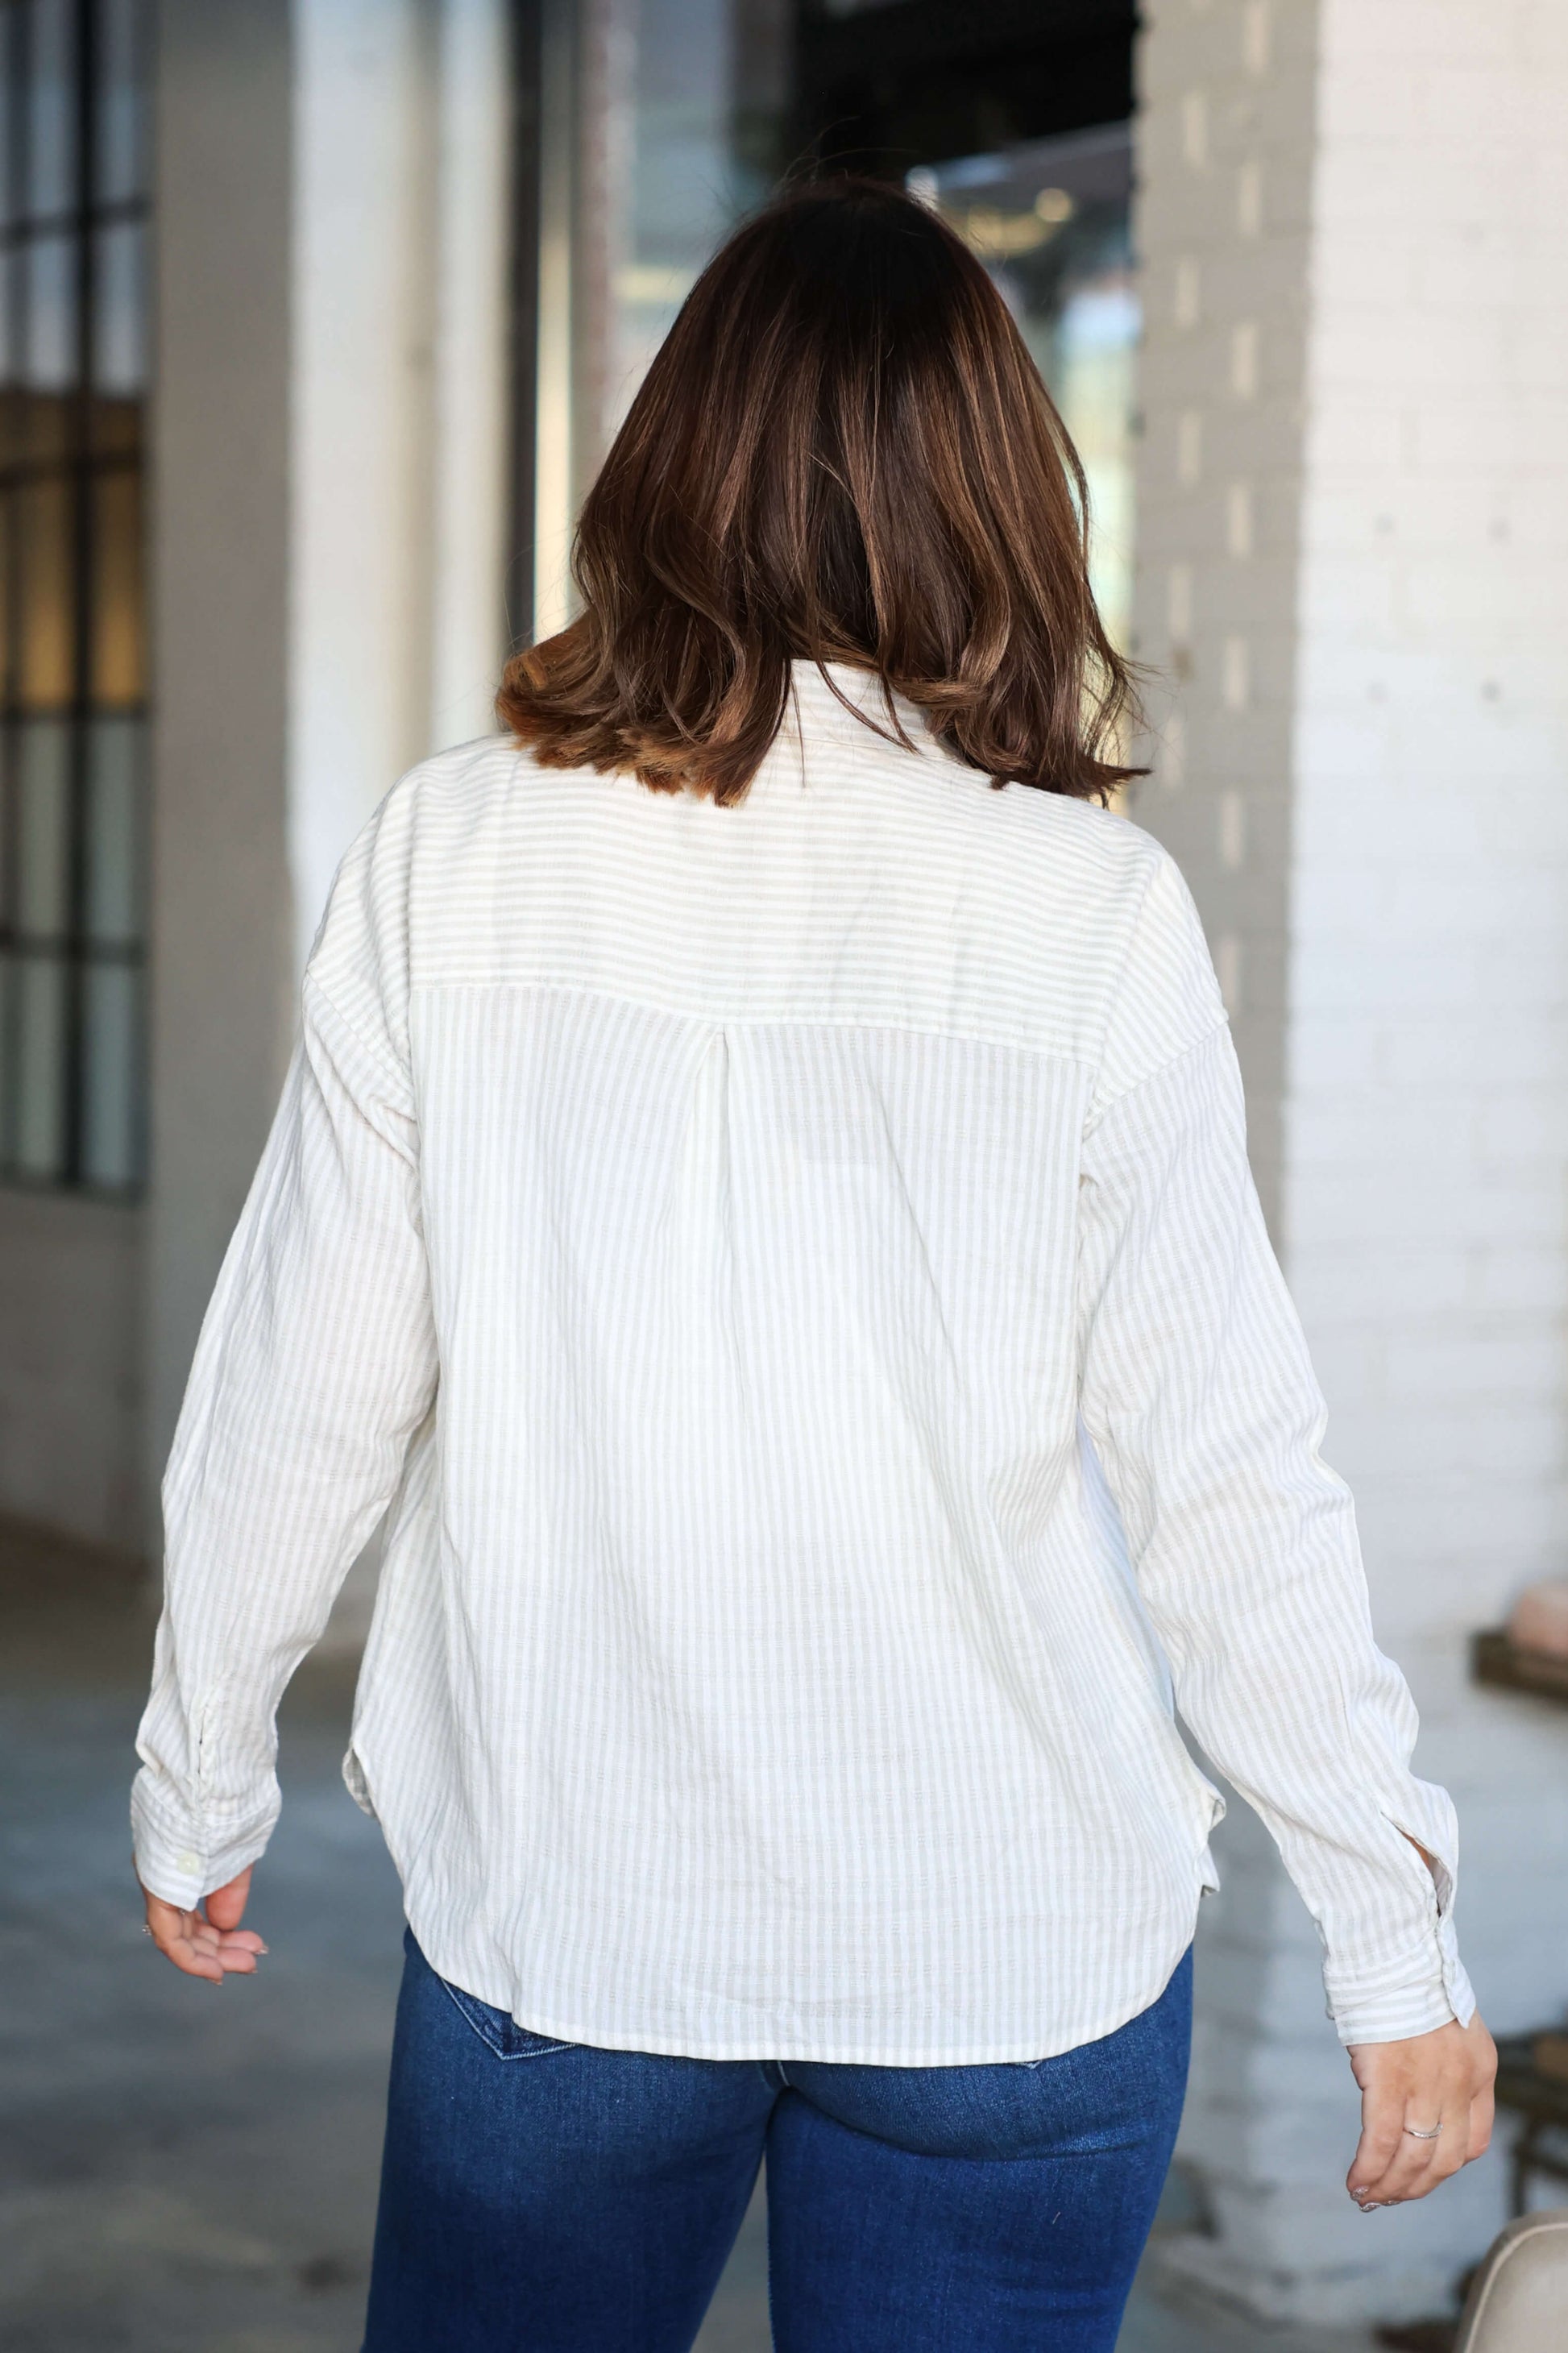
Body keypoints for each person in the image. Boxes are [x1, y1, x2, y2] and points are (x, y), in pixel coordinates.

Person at [131, 179, 1495, 2353]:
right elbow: (1226, 1469)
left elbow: (307, 1370)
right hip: (1006, 1953)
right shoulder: (1083, 914)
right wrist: (1386, 1939)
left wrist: (201, 1756)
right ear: (992, 502)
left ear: (666, 470)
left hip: (571, 1934)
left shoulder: (455, 851)